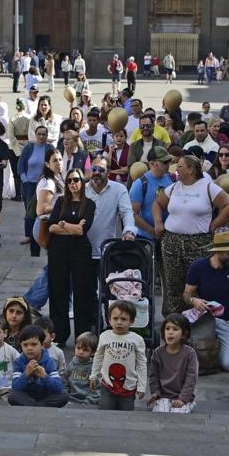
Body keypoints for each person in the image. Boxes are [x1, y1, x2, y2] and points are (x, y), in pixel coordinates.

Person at [153, 154, 229, 315]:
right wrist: (158, 223)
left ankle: (199, 325)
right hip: (171, 241)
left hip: (198, 242)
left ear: (191, 170)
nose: (176, 169)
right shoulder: (175, 187)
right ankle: (176, 323)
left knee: (198, 283)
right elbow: (157, 203)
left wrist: (214, 224)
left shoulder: (207, 186)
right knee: (173, 284)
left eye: (180, 167)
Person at [183, 232, 229, 373]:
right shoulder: (198, 267)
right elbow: (186, 294)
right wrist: (193, 300)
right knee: (197, 358)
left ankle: (219, 350)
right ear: (218, 252)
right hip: (206, 318)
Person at [46, 168, 97, 344]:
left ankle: (82, 335)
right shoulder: (60, 202)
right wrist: (72, 227)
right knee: (58, 290)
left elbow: (82, 230)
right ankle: (59, 333)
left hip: (80, 252)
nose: (72, 183)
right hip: (58, 251)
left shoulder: (89, 204)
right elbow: (51, 227)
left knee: (82, 292)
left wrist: (64, 224)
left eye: (76, 180)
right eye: (69, 181)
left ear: (82, 182)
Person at [90, 300, 147, 411]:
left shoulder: (137, 339)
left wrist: (142, 385)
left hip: (128, 386)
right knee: (106, 410)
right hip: (107, 384)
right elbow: (98, 357)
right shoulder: (104, 336)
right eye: (115, 318)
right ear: (109, 320)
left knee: (126, 414)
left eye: (124, 319)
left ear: (132, 321)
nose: (119, 322)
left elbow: (141, 363)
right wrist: (94, 375)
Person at [8, 325, 70, 407]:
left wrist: (44, 376)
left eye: (34, 344)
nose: (29, 348)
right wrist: (26, 374)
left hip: (45, 395)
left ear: (42, 345)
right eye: (25, 345)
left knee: (63, 397)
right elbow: (15, 388)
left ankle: (35, 406)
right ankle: (39, 406)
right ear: (21, 345)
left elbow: (58, 388)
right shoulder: (19, 362)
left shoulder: (49, 361)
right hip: (27, 396)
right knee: (12, 397)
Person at [147, 314, 199, 413]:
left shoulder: (190, 353)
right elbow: (153, 376)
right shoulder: (158, 353)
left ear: (184, 334)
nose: (170, 332)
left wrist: (182, 399)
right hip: (163, 396)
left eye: (175, 329)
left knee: (177, 413)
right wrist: (155, 393)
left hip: (183, 396)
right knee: (160, 412)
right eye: (167, 329)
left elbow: (191, 379)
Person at [64, 331, 100, 405]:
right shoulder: (71, 364)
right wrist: (65, 397)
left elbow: (97, 390)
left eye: (85, 350)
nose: (81, 352)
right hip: (69, 399)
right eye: (78, 348)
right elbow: (65, 382)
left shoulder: (94, 368)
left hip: (87, 401)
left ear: (92, 352)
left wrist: (87, 402)